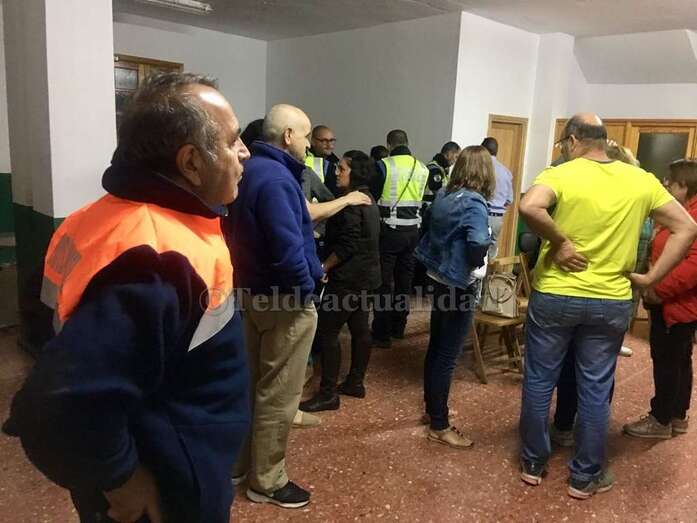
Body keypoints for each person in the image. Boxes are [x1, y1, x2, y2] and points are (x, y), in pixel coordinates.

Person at [3, 73, 251, 523]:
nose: (245, 152)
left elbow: (41, 323)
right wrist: (121, 480)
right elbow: (54, 405)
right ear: (192, 162)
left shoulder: (92, 218)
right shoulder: (156, 259)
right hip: (164, 487)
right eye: (233, 141)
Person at [518, 113, 697, 500]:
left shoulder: (560, 174)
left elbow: (530, 206)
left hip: (555, 295)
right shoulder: (640, 180)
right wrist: (651, 278)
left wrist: (561, 242)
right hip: (609, 300)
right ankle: (584, 477)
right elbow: (687, 227)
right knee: (595, 388)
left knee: (539, 380)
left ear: (572, 141)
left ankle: (533, 463)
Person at [227, 104, 322, 509]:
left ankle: (238, 465)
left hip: (251, 293)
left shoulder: (248, 171)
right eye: (305, 135)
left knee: (252, 385)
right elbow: (287, 251)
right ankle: (266, 481)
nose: (308, 144)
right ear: (287, 136)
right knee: (279, 394)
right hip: (285, 301)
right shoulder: (279, 179)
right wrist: (306, 291)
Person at [549, 144, 646, 446]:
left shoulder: (584, 194)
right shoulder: (639, 201)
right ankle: (589, 447)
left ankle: (563, 426)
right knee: (600, 373)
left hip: (570, 288)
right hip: (614, 295)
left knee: (568, 363)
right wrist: (646, 280)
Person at [414, 146, 492, 449]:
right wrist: (478, 259)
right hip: (459, 284)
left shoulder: (445, 194)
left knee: (436, 347)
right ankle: (439, 425)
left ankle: (433, 408)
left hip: (438, 277)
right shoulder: (475, 202)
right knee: (447, 356)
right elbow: (477, 243)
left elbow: (428, 227)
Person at [300, 150, 382, 412]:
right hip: (367, 276)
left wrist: (324, 266)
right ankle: (355, 383)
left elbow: (347, 245)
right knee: (360, 329)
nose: (336, 173)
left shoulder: (351, 205)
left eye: (341, 169)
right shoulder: (369, 198)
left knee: (327, 332)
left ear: (354, 173)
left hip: (348, 280)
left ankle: (328, 394)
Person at [624, 159, 697, 439]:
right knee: (680, 359)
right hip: (677, 304)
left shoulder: (692, 217)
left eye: (670, 182)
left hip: (676, 305)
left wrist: (656, 288)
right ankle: (677, 415)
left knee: (668, 361)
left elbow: (691, 268)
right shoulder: (682, 211)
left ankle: (661, 419)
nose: (666, 186)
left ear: (685, 186)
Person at [371, 129, 429, 348]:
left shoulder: (384, 165)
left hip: (389, 231)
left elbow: (374, 196)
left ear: (389, 145)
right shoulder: (422, 168)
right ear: (407, 142)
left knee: (384, 283)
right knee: (405, 282)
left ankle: (381, 333)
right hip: (413, 232)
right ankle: (398, 328)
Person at [481, 137, 513, 260]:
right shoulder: (506, 172)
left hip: (481, 214)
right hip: (497, 219)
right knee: (491, 253)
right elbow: (509, 200)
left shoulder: (481, 169)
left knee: (477, 249)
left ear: (484, 150)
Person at [306, 124, 340, 194]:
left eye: (331, 140)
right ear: (313, 141)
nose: (329, 145)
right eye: (324, 141)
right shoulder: (304, 159)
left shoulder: (336, 163)